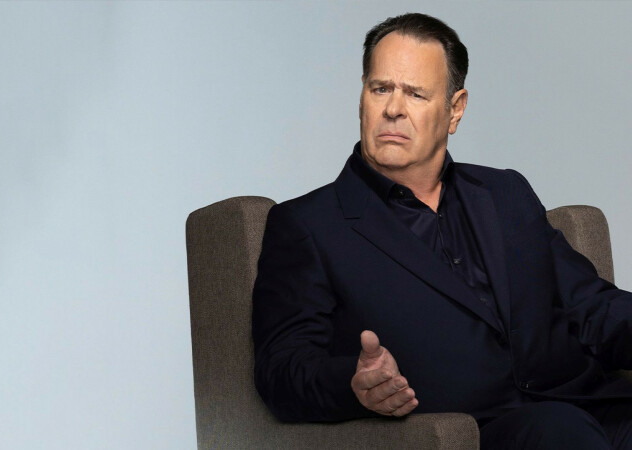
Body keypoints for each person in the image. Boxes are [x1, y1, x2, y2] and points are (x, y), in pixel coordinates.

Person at [252, 12, 632, 449]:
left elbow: (590, 305)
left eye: (415, 93)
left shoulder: (505, 192)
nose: (393, 109)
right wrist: (353, 383)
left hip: (589, 406)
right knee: (560, 432)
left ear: (455, 109)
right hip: (472, 434)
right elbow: (281, 370)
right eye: (380, 89)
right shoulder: (308, 225)